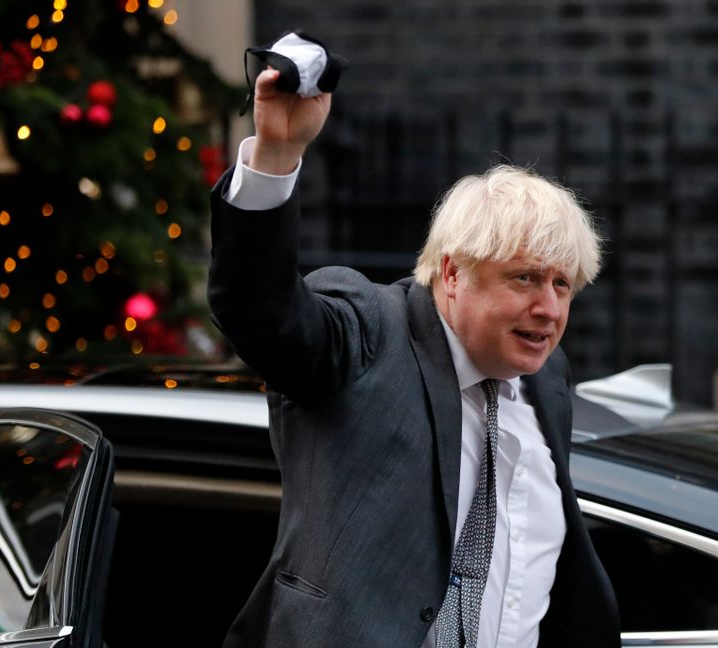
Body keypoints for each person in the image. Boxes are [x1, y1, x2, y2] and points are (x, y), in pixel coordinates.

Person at [209, 67, 620, 647]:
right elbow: (259, 311)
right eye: (524, 279)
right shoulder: (369, 329)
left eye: (562, 285)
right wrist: (276, 153)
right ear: (452, 273)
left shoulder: (545, 377)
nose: (549, 308)